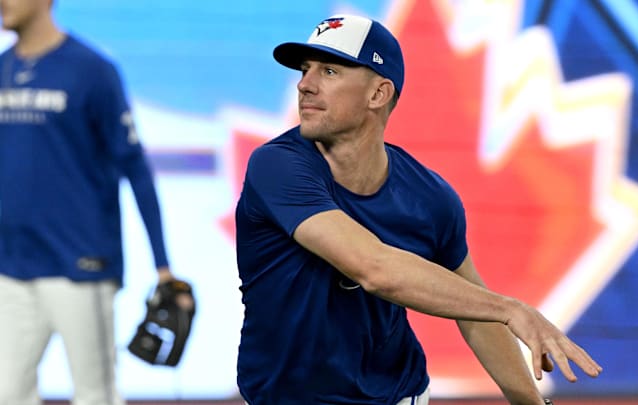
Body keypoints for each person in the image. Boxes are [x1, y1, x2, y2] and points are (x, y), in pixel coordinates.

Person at [234, 13, 602, 405]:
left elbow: (475, 314)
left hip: (397, 395)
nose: (305, 85)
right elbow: (372, 267)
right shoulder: (277, 167)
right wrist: (510, 308)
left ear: (378, 94)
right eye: (306, 70)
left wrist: (531, 402)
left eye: (329, 71)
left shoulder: (430, 197)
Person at [0, 1, 181, 404]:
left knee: (95, 395)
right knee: (7, 393)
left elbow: (135, 167)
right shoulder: (2, 68)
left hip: (80, 264)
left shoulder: (92, 69)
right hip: (11, 265)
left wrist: (163, 265)